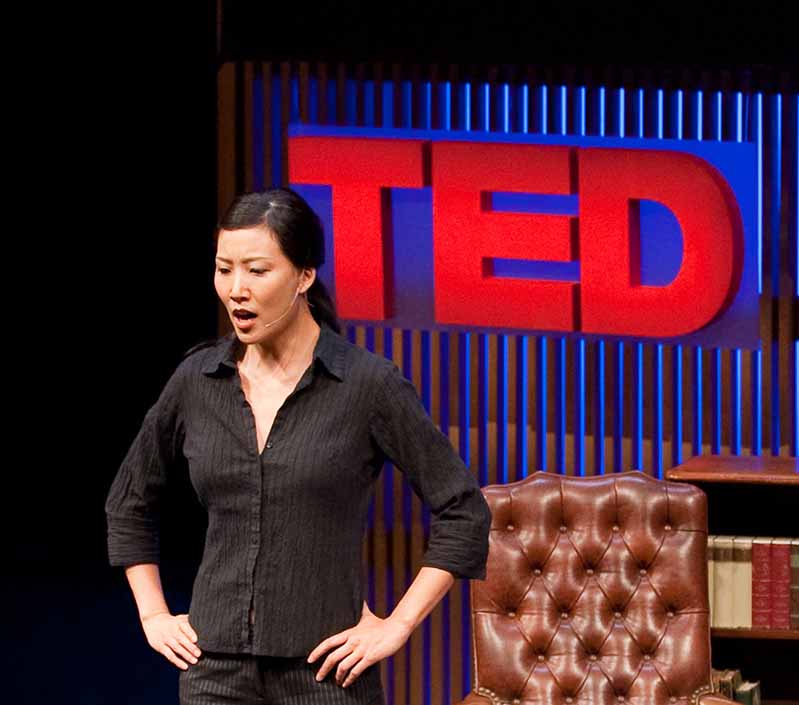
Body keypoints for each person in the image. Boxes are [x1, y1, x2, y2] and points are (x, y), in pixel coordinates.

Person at [104, 186, 493, 705]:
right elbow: (128, 503)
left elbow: (464, 511)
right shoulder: (196, 381)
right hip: (213, 673)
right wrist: (153, 614)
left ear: (305, 275)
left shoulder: (366, 385)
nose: (236, 289)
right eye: (224, 269)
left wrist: (397, 626)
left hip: (326, 675)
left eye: (257, 271)